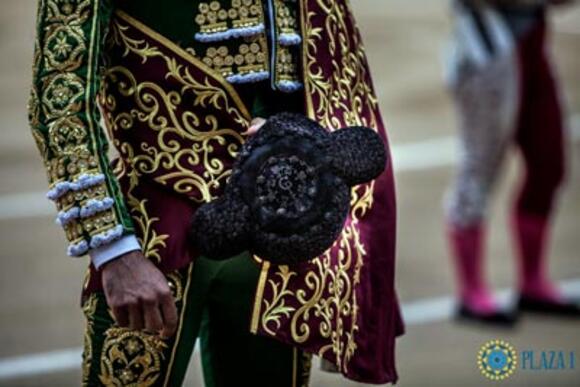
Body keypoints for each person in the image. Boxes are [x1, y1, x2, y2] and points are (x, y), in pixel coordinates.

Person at [29, 0, 403, 385]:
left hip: (280, 229)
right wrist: (113, 250)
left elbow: (319, 59)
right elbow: (59, 98)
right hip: (151, 232)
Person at [445, 0, 579, 325]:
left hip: (529, 42)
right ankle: (470, 292)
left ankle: (532, 283)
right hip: (485, 52)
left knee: (549, 163)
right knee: (479, 169)